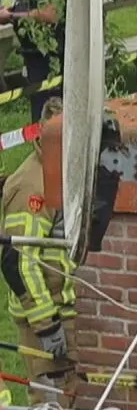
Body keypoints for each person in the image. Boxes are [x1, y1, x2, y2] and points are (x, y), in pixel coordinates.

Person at [0, 131, 77, 389]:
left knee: (70, 401)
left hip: (62, 312)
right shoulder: (32, 186)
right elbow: (19, 262)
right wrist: (47, 327)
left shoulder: (60, 170)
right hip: (43, 321)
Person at [0, 0, 63, 123]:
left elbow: (50, 15)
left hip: (56, 49)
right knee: (38, 105)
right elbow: (11, 0)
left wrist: (13, 16)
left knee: (55, 103)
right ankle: (41, 144)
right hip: (31, 51)